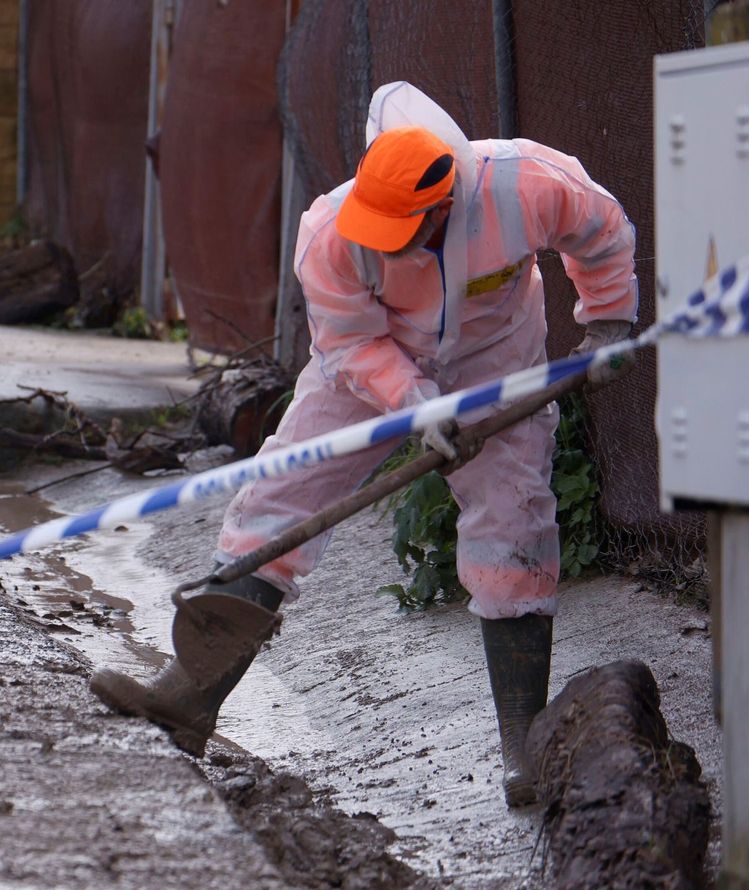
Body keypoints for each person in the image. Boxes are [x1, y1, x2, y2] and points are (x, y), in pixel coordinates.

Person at [91, 83, 639, 806]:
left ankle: (523, 744)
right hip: (371, 366)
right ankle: (188, 697)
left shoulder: (524, 184)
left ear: (441, 207)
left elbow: (603, 230)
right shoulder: (331, 232)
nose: (378, 239)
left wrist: (608, 320)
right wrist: (417, 404)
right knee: (280, 498)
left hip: (495, 362)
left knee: (514, 524)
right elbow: (351, 343)